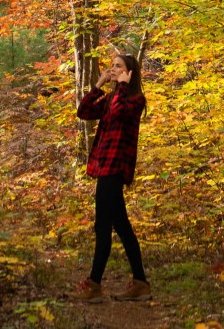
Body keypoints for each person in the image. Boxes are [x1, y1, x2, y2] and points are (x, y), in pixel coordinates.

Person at [71, 52, 150, 303]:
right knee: (122, 226)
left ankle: (94, 284)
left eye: (119, 67)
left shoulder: (135, 99)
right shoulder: (111, 97)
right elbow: (83, 112)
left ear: (130, 72)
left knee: (103, 225)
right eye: (112, 66)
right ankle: (140, 282)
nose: (114, 69)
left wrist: (124, 85)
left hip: (115, 169)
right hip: (104, 166)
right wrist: (98, 85)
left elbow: (118, 113)